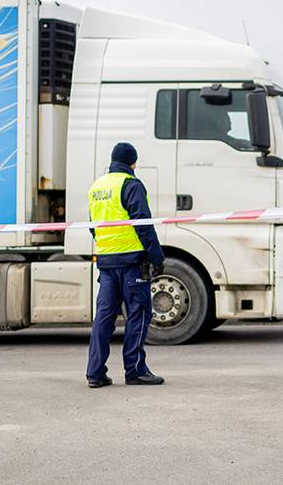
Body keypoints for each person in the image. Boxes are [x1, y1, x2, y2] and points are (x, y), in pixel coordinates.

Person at [86, 142, 166, 388]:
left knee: (104, 318)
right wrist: (157, 257)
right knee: (138, 314)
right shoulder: (131, 185)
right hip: (132, 262)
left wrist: (107, 249)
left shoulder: (97, 187)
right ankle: (135, 370)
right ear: (133, 163)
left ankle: (95, 373)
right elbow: (143, 223)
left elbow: (92, 225)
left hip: (107, 262)